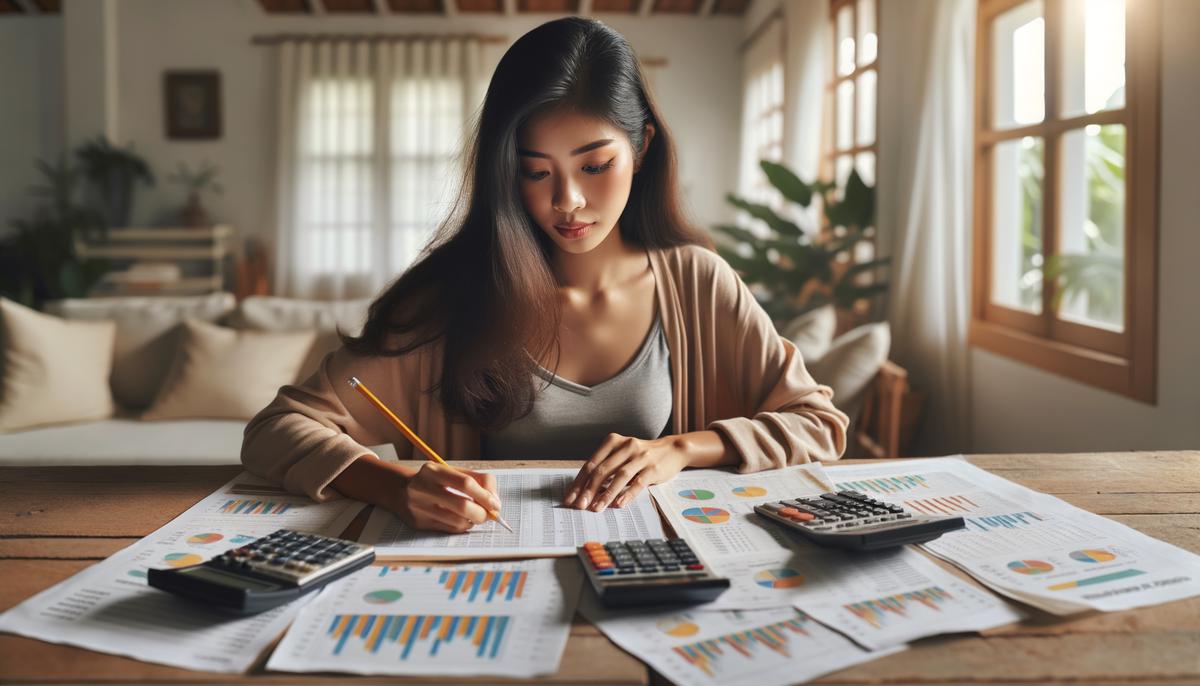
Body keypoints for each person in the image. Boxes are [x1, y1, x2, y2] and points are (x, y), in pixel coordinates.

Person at [241, 17, 848, 534]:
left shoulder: (697, 284)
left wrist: (680, 450)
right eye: (536, 172)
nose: (569, 201)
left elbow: (818, 423)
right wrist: (392, 486)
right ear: (507, 172)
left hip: (650, 573)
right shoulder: (447, 300)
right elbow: (276, 429)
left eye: (595, 165)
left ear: (643, 147)